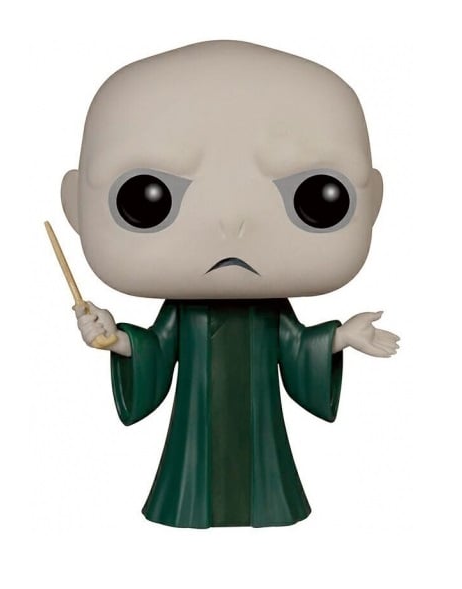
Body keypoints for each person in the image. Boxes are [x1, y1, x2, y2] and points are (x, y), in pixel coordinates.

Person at [60, 40, 399, 528]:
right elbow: (157, 347)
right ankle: (191, 505)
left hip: (261, 429)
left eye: (318, 196)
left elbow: (296, 346)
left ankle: (266, 503)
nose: (232, 222)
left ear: (374, 204)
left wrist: (343, 336)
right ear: (75, 207)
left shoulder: (269, 313)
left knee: (264, 463)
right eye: (147, 198)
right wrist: (114, 339)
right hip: (193, 433)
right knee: (192, 466)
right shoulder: (186, 312)